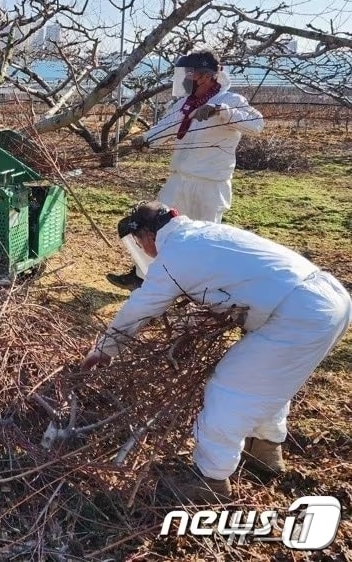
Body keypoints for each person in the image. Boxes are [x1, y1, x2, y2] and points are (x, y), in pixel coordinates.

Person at [81, 201, 352, 503]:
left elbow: (140, 308)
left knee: (228, 389)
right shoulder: (203, 233)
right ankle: (264, 451)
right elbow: (217, 290)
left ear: (146, 234)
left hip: (296, 313)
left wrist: (104, 350)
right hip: (329, 300)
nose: (142, 251)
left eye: (139, 243)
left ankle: (209, 479)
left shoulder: (173, 257)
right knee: (266, 383)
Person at [107, 50, 265, 291]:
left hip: (210, 184)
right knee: (153, 229)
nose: (184, 80)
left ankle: (197, 290)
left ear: (205, 76)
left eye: (188, 74)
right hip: (179, 180)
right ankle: (142, 278)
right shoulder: (184, 103)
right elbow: (166, 127)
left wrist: (220, 111)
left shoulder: (231, 100)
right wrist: (145, 139)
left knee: (203, 241)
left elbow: (257, 124)